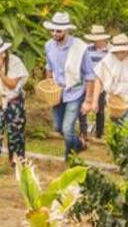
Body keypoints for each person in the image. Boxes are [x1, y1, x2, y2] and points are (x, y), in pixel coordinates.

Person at [42, 11, 98, 160]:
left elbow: (89, 75)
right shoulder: (49, 46)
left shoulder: (79, 48)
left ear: (67, 30)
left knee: (67, 129)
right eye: (52, 30)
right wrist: (49, 84)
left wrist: (88, 100)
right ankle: (79, 143)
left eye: (58, 31)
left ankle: (69, 157)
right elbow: (49, 67)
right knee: (58, 127)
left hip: (75, 91)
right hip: (58, 92)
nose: (54, 33)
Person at [0, 34, 28, 166]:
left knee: (15, 132)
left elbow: (12, 85)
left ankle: (17, 160)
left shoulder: (15, 62)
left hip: (13, 100)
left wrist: (1, 72)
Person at [96, 33, 128, 125]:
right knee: (117, 126)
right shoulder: (107, 60)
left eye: (123, 51)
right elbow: (99, 79)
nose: (121, 53)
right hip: (115, 100)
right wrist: (94, 101)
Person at [80, 25, 110, 141]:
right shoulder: (87, 49)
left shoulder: (110, 51)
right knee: (83, 106)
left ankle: (99, 132)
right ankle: (83, 130)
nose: (96, 41)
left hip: (101, 83)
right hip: (88, 82)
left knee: (99, 107)